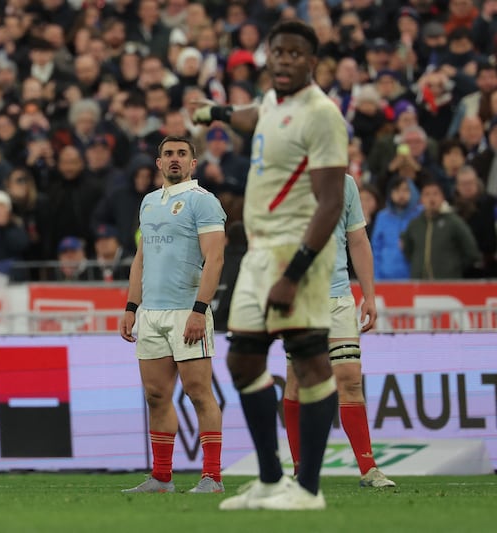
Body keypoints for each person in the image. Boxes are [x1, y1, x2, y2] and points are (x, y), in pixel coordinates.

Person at [193, 20, 347, 510]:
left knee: (309, 360)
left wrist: (295, 271)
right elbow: (250, 115)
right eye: (277, 51)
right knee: (241, 360)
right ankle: (269, 479)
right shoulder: (271, 104)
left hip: (294, 252)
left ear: (312, 62)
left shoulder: (322, 115)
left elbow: (330, 202)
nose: (284, 59)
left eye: (295, 53)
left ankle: (309, 490)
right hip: (259, 252)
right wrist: (214, 112)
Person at [119, 135, 226, 494]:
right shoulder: (149, 203)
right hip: (151, 313)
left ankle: (212, 477)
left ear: (193, 163)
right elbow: (141, 259)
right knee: (155, 395)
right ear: (159, 163)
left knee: (198, 392)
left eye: (182, 153)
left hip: (186, 311)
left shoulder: (203, 202)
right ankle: (161, 478)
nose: (175, 159)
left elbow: (215, 258)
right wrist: (132, 307)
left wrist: (200, 309)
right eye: (168, 154)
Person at [282, 175, 396, 488]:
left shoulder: (345, 183)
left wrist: (369, 294)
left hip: (339, 298)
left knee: (349, 378)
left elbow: (357, 239)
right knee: (298, 382)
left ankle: (369, 468)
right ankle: (300, 469)